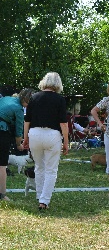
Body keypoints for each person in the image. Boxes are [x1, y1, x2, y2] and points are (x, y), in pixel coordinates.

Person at [24, 72, 69, 211]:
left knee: (39, 167)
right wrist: (66, 142)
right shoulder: (60, 99)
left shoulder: (34, 97)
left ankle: (39, 195)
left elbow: (27, 121)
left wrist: (26, 138)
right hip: (52, 134)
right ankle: (44, 201)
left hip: (35, 133)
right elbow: (63, 124)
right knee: (51, 169)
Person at [0, 88, 34, 201]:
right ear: (27, 101)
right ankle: (2, 194)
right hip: (2, 132)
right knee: (2, 165)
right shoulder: (19, 109)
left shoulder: (7, 98)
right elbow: (19, 131)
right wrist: (19, 144)